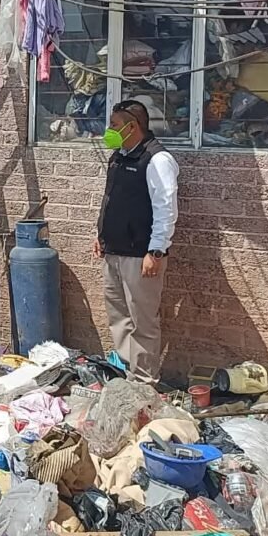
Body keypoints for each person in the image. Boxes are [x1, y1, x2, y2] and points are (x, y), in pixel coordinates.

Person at [94, 100, 179, 384]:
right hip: (114, 252)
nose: (109, 130)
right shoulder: (119, 156)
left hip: (141, 256)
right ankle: (128, 370)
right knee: (119, 317)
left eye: (115, 125)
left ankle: (144, 381)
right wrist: (101, 235)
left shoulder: (157, 160)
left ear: (133, 126)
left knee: (143, 321)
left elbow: (166, 208)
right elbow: (112, 199)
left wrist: (156, 250)